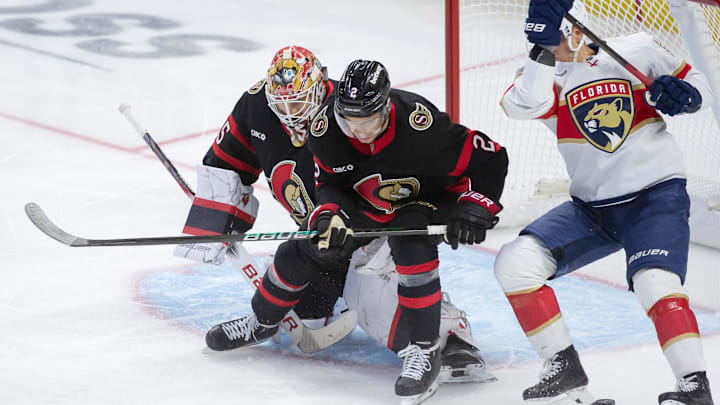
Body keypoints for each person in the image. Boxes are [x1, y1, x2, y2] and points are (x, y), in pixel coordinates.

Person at [172, 45, 494, 385]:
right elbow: (227, 163)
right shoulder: (258, 104)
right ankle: (264, 319)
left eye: (297, 103)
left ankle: (451, 337)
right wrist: (218, 221)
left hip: (376, 232)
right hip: (322, 236)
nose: (289, 114)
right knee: (305, 311)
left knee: (379, 307)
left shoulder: (352, 116)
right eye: (280, 104)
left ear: (321, 84)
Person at [496, 0, 715, 404]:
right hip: (591, 209)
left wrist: (685, 95)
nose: (551, 44)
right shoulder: (544, 76)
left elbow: (700, 84)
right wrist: (544, 51)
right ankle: (564, 370)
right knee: (515, 263)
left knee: (655, 282)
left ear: (579, 30)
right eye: (540, 37)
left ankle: (693, 386)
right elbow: (520, 105)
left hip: (655, 196)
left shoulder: (639, 49)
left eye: (555, 35)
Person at [305, 59, 509, 404]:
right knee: (321, 248)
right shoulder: (325, 130)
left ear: (385, 106)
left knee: (409, 237)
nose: (358, 130)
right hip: (371, 204)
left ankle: (426, 351)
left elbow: (491, 158)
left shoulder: (421, 125)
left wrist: (477, 204)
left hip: (429, 199)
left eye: (367, 120)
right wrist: (332, 215)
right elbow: (329, 183)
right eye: (349, 120)